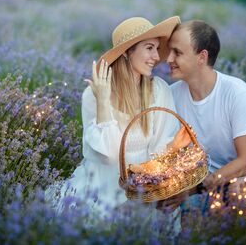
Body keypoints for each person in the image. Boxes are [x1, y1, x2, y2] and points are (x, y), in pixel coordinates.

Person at [46, 16, 185, 217]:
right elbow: (109, 154)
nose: (156, 56)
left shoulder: (159, 90)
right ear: (128, 52)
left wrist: (148, 186)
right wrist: (103, 101)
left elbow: (163, 145)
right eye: (149, 48)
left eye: (157, 48)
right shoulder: (94, 95)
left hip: (144, 185)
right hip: (101, 186)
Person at [157, 20, 246, 213]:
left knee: (240, 192)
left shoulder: (235, 92)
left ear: (202, 57)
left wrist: (193, 189)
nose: (169, 59)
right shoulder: (173, 95)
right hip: (208, 184)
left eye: (178, 53)